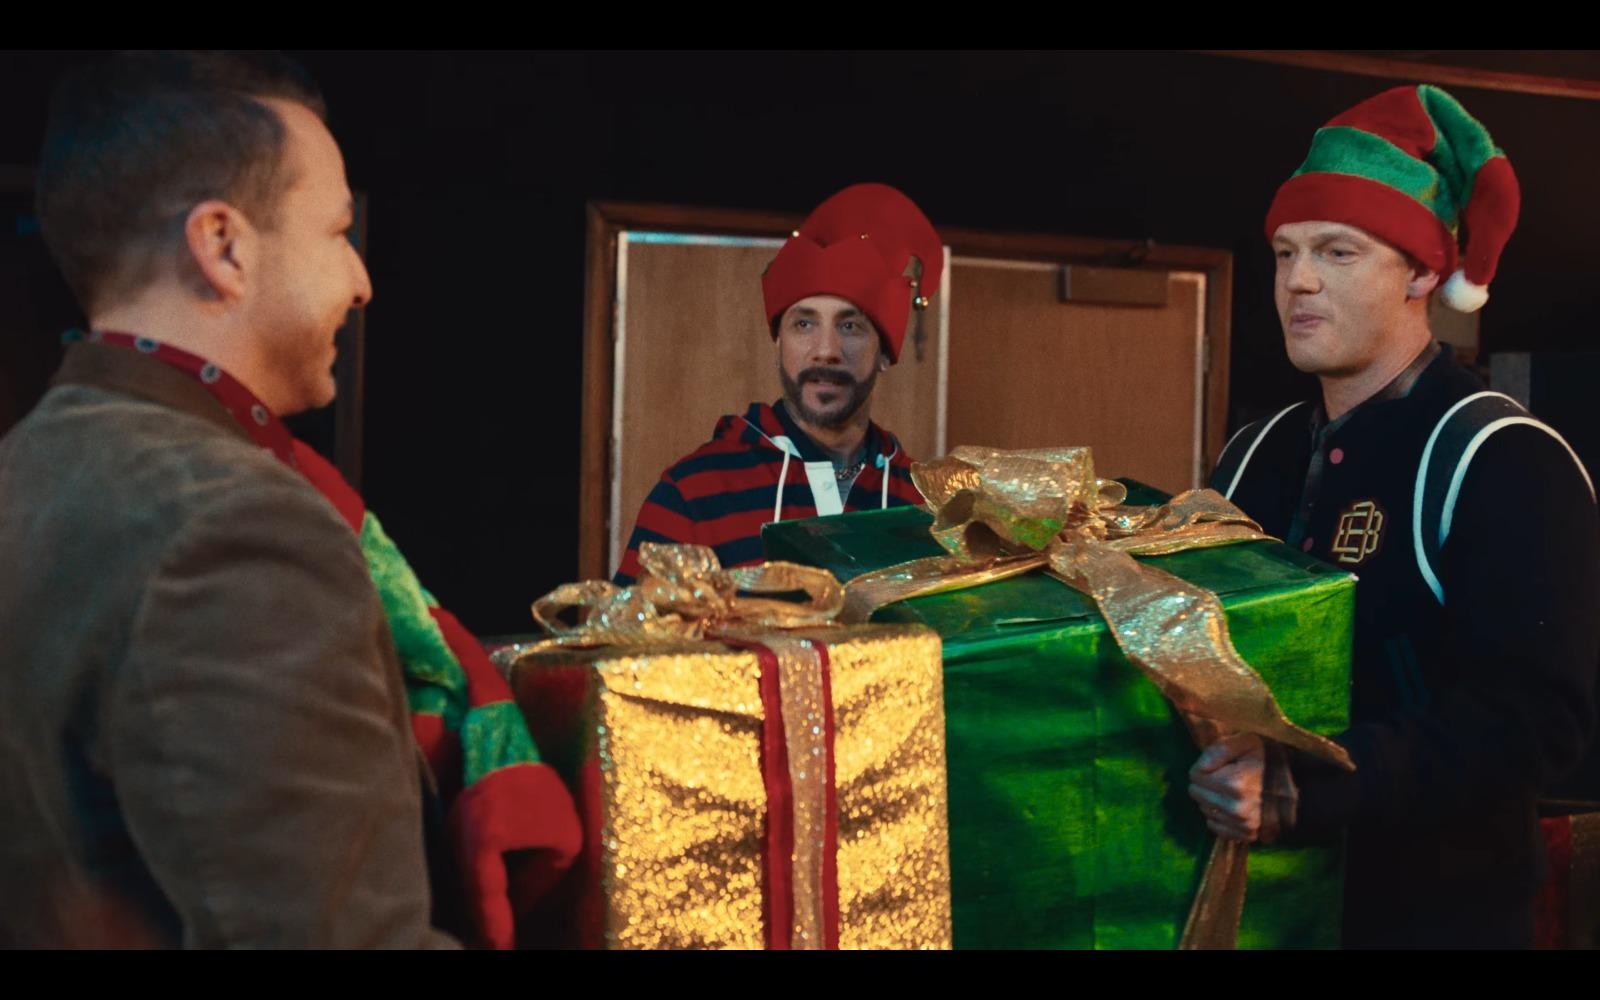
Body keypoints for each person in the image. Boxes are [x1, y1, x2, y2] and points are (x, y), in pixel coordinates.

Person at [0, 51, 578, 949]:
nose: (361, 279)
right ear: (223, 246)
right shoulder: (234, 528)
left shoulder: (31, 462)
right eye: (338, 232)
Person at [1188, 84, 1600, 947]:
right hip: (1263, 918)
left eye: (1337, 252)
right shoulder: (1253, 452)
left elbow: (1535, 722)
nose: (1298, 281)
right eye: (1285, 252)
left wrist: (1310, 787)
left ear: (1420, 272)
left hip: (1431, 920)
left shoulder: (1501, 457)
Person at [614, 182, 938, 584]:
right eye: (804, 324)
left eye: (850, 326)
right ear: (779, 344)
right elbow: (627, 623)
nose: (826, 351)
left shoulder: (925, 506)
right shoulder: (692, 493)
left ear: (885, 353)